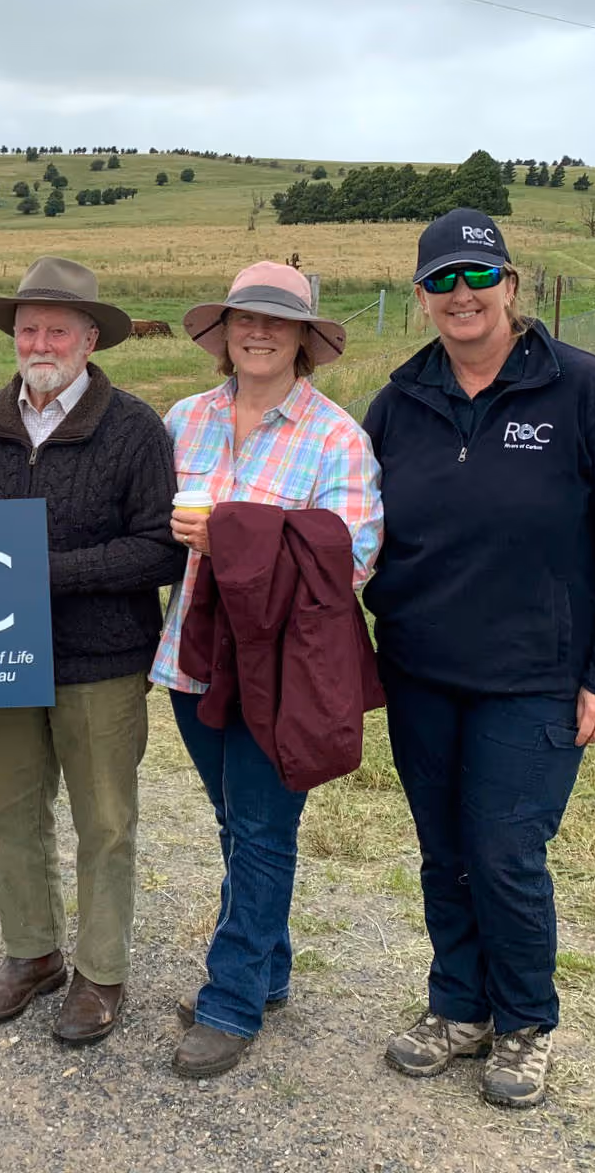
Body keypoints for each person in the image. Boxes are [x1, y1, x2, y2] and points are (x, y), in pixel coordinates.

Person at [364, 209, 595, 1109]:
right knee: (442, 850)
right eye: (442, 281)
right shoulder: (399, 400)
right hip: (420, 668)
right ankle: (457, 1006)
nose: (462, 296)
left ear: (509, 284)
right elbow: (354, 522)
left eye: (476, 276)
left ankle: (525, 1021)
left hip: (534, 678)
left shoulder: (588, 393)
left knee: (504, 853)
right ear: (421, 297)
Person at [154, 261, 383, 1079]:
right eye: (244, 320)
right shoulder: (184, 420)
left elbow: (351, 559)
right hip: (192, 653)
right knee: (234, 822)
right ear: (221, 332)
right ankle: (268, 967)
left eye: (276, 324)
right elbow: (151, 527)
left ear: (303, 341)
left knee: (260, 829)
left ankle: (232, 998)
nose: (257, 334)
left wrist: (239, 540)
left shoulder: (334, 436)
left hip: (281, 668)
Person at [0, 257, 186, 1045]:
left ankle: (99, 972)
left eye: (58, 328)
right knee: (10, 816)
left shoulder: (133, 427)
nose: (41, 340)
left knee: (105, 821)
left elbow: (161, 550)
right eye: (28, 327)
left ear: (91, 339)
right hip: (5, 658)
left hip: (103, 660)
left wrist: (46, 572)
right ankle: (31, 955)